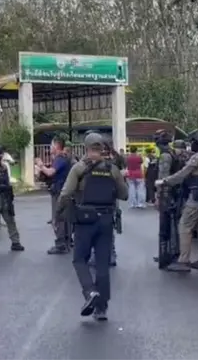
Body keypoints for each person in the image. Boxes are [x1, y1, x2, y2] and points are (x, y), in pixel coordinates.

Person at [58, 132, 128, 320]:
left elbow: (66, 193)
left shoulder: (79, 168)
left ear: (86, 147)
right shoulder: (112, 169)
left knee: (80, 259)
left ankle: (90, 292)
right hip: (106, 220)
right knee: (102, 263)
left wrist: (60, 212)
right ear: (102, 147)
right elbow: (124, 194)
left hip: (84, 220)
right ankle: (102, 308)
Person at [156, 133, 198, 272]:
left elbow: (183, 173)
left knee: (184, 226)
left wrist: (165, 181)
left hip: (197, 194)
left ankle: (183, 261)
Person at [37, 136, 73, 255]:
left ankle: (61, 243)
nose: (50, 148)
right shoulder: (64, 158)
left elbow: (51, 172)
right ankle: (67, 241)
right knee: (65, 217)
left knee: (58, 218)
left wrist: (41, 166)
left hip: (59, 191)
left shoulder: (60, 158)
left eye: (51, 145)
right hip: (65, 191)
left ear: (57, 146)